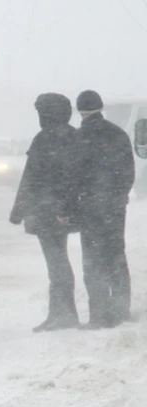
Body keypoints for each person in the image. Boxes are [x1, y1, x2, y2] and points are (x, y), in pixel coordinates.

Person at [9, 93, 80, 332]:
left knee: (57, 264)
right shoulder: (72, 136)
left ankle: (63, 314)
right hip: (58, 209)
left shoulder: (46, 138)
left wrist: (18, 211)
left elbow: (33, 178)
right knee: (59, 262)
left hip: (49, 212)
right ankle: (61, 313)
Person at [71, 89, 135, 329]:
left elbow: (73, 176)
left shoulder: (79, 137)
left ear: (80, 111)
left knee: (93, 259)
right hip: (115, 208)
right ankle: (121, 311)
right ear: (101, 107)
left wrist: (76, 202)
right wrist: (118, 196)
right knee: (116, 256)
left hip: (89, 208)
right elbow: (128, 172)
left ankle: (98, 314)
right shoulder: (118, 134)